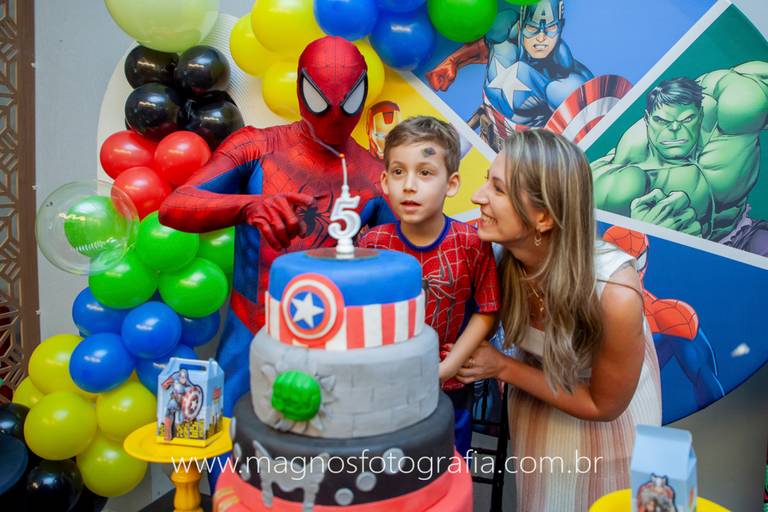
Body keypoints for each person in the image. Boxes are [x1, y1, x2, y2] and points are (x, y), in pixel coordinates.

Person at [160, 36, 393, 415]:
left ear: (362, 93)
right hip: (250, 328)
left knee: (321, 440)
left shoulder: (374, 177)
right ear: (302, 90)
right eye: (321, 101)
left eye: (348, 102)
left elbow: (400, 266)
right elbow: (174, 207)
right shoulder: (256, 147)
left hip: (331, 339)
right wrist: (248, 206)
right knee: (229, 431)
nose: (335, 116)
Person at [458, 129, 661, 511]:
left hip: (611, 433)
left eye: (498, 189)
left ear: (544, 216)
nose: (477, 197)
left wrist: (501, 367)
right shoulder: (496, 263)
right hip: (537, 413)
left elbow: (604, 405)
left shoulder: (614, 293)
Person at [359, 116, 500, 459]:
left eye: (425, 173)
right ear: (385, 181)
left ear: (451, 184)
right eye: (398, 172)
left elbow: (487, 311)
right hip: (384, 384)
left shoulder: (471, 243)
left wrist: (450, 366)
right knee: (385, 467)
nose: (409, 185)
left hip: (449, 386)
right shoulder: (373, 244)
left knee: (444, 467)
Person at [592, 64, 768, 255]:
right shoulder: (620, 180)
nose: (675, 129)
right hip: (674, 262)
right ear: (647, 119)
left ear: (700, 115)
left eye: (686, 120)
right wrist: (637, 234)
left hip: (744, 234)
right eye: (662, 121)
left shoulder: (738, 102)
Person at [426, 0, 592, 150]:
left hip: (514, 157)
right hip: (481, 130)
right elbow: (484, 48)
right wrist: (454, 61)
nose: (541, 38)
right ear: (521, 25)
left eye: (550, 28)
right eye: (532, 28)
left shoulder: (565, 82)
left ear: (560, 26)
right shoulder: (504, 36)